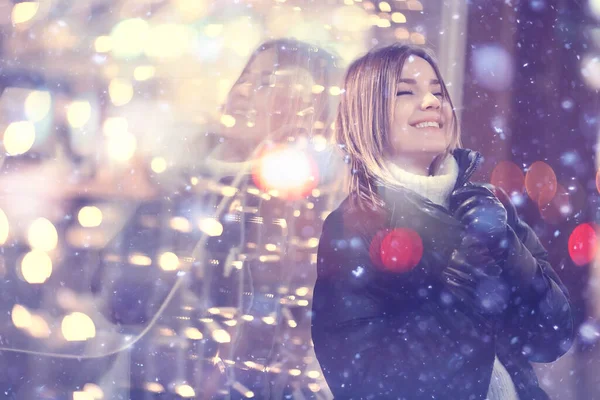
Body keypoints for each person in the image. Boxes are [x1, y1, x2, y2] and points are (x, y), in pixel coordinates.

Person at [311, 43, 574, 400]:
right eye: (406, 91)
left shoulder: (490, 204)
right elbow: (364, 380)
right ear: (366, 113)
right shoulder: (353, 225)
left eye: (438, 91)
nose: (433, 102)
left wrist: (509, 251)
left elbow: (551, 337)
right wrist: (460, 296)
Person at [192, 38, 344, 399]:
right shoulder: (193, 184)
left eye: (264, 83)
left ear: (306, 106)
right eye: (243, 78)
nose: (242, 92)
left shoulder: (305, 198)